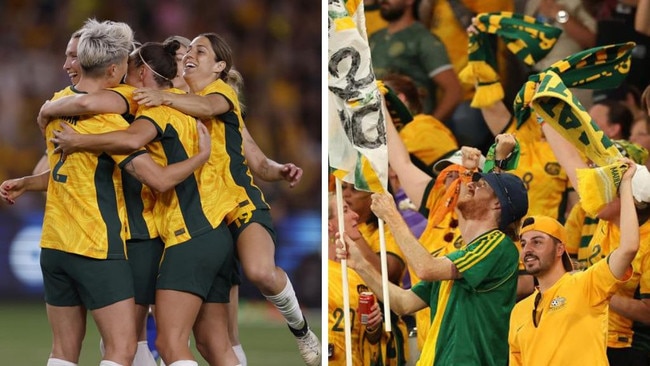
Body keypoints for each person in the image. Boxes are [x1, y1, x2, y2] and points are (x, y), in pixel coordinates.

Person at [0, 19, 214, 366]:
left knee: (63, 351)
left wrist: (30, 178)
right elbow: (157, 179)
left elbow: (66, 168)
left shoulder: (57, 101)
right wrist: (201, 157)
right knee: (121, 348)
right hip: (96, 245)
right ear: (114, 69)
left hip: (53, 244)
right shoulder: (112, 121)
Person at [131, 33, 320, 366]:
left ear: (218, 66)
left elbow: (257, 161)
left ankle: (300, 327)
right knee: (210, 337)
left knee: (259, 273)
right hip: (198, 216)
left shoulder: (219, 95)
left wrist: (278, 170)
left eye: (196, 51)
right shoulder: (169, 102)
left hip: (236, 205)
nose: (187, 56)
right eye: (182, 53)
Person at [337, 162, 529, 365]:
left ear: (497, 204)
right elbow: (404, 303)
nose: (470, 185)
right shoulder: (460, 260)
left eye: (482, 186)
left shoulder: (498, 245)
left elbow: (425, 268)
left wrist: (391, 215)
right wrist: (360, 264)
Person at [509, 171, 639, 366]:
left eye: (537, 242)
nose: (528, 250)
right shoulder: (519, 311)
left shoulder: (586, 284)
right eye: (524, 243)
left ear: (560, 248)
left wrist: (626, 184)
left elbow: (628, 247)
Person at [369, 0, 462, 125]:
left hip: (409, 131)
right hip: (374, 126)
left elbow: (453, 91)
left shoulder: (424, 40)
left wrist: (427, 126)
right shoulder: (375, 38)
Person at [327, 192, 383, 365]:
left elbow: (371, 338)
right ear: (329, 225)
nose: (355, 215)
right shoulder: (324, 274)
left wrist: (374, 325)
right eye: (345, 210)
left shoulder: (359, 271)